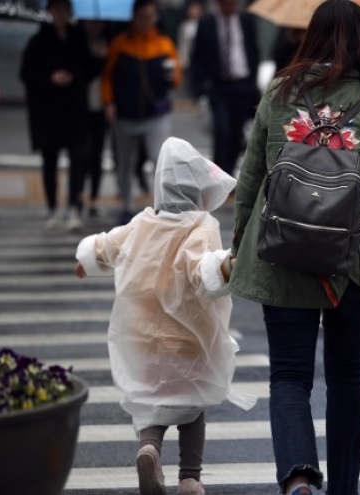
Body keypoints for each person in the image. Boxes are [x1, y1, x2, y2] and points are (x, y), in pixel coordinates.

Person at [229, 1, 360, 494]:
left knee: (289, 378)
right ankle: (344, 489)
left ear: (309, 36)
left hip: (282, 254)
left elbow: (252, 177)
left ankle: (297, 479)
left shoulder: (280, 92)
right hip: (352, 263)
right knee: (348, 378)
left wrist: (238, 243)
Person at [74, 137, 256, 495]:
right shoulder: (200, 226)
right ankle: (190, 478)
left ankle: (149, 448)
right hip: (188, 341)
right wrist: (226, 267)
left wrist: (84, 261)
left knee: (151, 406)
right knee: (192, 409)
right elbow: (201, 268)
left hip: (142, 340)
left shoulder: (141, 223)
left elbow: (106, 246)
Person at [102, 0, 182, 225]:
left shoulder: (164, 44)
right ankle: (126, 206)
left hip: (156, 115)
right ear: (134, 18)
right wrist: (109, 102)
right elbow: (107, 77)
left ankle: (163, 207)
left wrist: (172, 74)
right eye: (141, 17)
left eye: (150, 17)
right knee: (125, 163)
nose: (146, 22)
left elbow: (177, 77)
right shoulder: (120, 44)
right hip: (125, 115)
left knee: (160, 159)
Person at [19, 0, 92, 231]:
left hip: (75, 110)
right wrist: (50, 79)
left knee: (78, 159)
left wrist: (96, 59)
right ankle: (51, 207)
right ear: (49, 11)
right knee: (50, 160)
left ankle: (74, 207)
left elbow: (88, 69)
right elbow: (27, 74)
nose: (61, 13)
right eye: (57, 9)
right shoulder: (39, 40)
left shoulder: (79, 38)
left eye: (65, 9)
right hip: (48, 112)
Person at [189, 0, 259, 177]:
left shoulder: (246, 21)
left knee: (237, 133)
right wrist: (198, 89)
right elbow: (197, 57)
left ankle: (228, 175)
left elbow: (253, 50)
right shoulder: (206, 23)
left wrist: (252, 81)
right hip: (218, 85)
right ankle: (218, 177)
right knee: (222, 131)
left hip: (242, 84)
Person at [80, 19, 109, 218]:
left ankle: (94, 198)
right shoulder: (77, 42)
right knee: (83, 153)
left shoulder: (106, 41)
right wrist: (98, 59)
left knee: (97, 154)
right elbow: (85, 72)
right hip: (81, 107)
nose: (93, 26)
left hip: (101, 106)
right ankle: (79, 197)